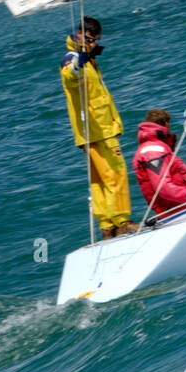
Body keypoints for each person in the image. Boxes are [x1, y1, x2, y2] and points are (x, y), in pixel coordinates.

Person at [60, 17, 137, 239]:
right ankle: (121, 220)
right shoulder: (73, 58)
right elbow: (69, 76)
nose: (93, 44)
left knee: (100, 178)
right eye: (89, 39)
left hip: (92, 131)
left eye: (96, 41)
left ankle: (106, 225)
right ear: (79, 35)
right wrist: (78, 64)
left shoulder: (88, 58)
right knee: (117, 171)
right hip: (99, 130)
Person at [133, 109, 186, 219]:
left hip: (178, 205)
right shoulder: (154, 150)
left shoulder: (154, 147)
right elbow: (162, 187)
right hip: (173, 209)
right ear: (166, 124)